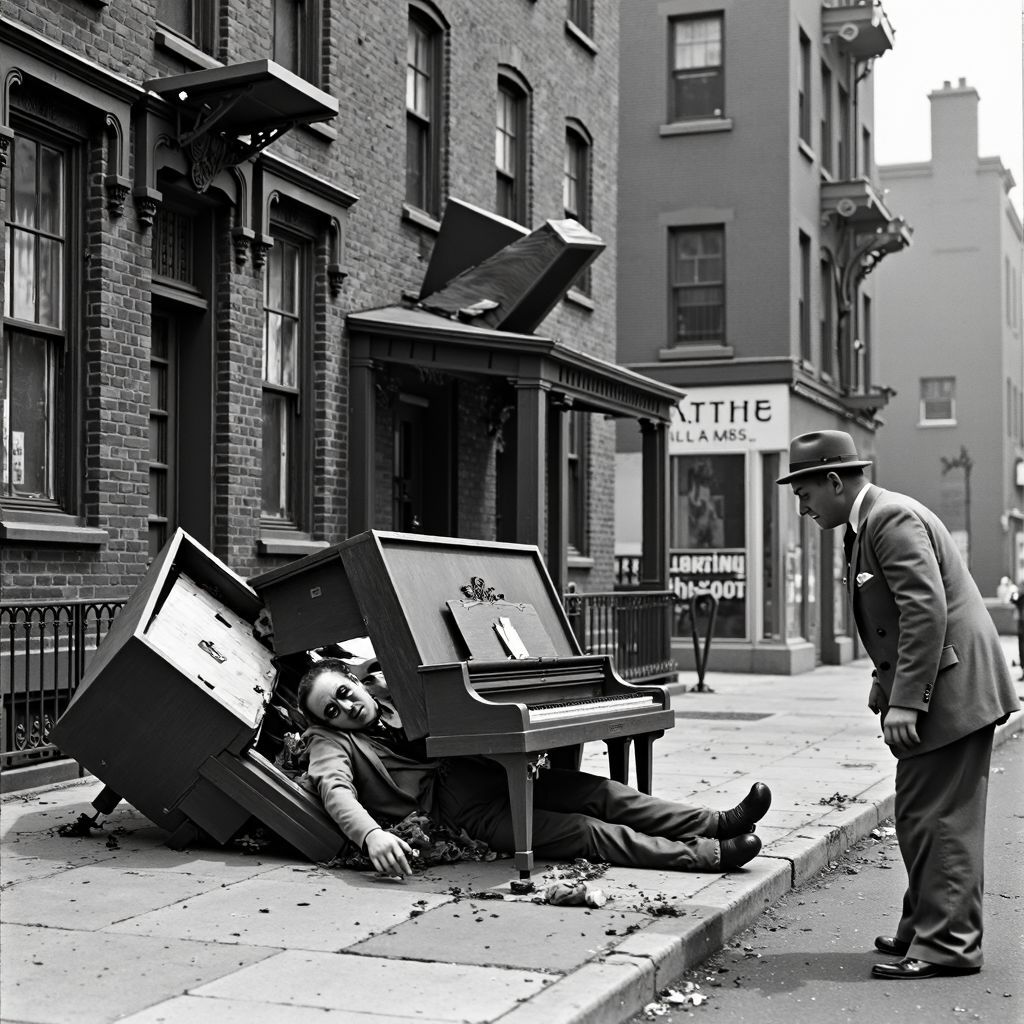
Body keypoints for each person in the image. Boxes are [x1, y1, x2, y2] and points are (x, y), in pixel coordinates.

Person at [778, 430, 1020, 981]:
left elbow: (925, 610)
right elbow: (895, 616)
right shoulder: (869, 523)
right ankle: (923, 927)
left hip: (953, 691)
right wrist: (882, 681)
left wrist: (908, 701)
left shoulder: (889, 519)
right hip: (947, 685)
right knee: (919, 814)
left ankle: (948, 945)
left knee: (940, 820)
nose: (803, 507)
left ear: (834, 481)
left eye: (805, 494)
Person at [296, 657, 772, 879]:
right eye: (331, 710)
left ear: (355, 681)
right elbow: (334, 788)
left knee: (600, 792)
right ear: (323, 722)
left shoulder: (391, 687)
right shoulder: (329, 742)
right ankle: (707, 855)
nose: (346, 708)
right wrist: (371, 836)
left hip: (493, 772)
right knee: (584, 831)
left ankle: (717, 822)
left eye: (344, 693)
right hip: (465, 814)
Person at [1011, 581, 1024, 682]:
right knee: (1022, 648)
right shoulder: (1020, 595)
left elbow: (1014, 599)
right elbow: (1013, 599)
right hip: (1022, 623)